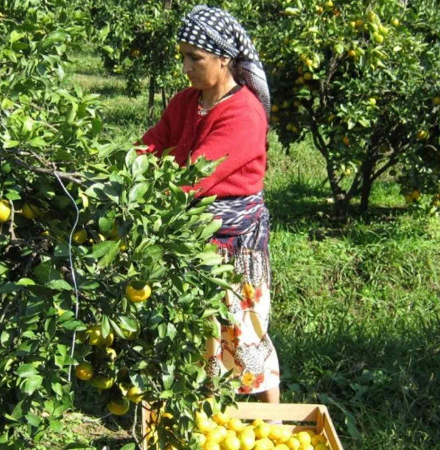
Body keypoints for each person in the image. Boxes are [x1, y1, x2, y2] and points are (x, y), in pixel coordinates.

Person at [139, 5, 280, 403]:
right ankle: (210, 410)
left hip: (233, 241)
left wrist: (141, 196)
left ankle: (277, 421)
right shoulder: (187, 102)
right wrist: (119, 170)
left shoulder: (244, 114)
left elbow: (194, 178)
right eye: (183, 56)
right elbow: (154, 142)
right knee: (204, 334)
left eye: (194, 58)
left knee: (246, 333)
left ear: (223, 58)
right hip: (196, 236)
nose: (186, 66)